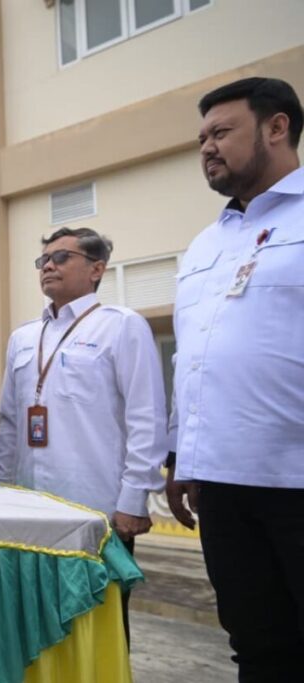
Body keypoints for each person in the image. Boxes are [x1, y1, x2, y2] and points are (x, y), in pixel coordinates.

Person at [166, 77, 304, 680]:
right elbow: (191, 356)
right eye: (201, 138)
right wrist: (181, 456)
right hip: (221, 484)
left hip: (295, 478)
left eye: (221, 132)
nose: (207, 148)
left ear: (277, 126)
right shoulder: (204, 246)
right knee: (258, 648)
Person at [0, 226, 168, 643]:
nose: (48, 266)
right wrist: (0, 491)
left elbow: (146, 417)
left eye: (61, 257)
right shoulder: (23, 337)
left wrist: (133, 500)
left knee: (99, 626)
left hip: (96, 512)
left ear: (96, 269)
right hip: (29, 509)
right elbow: (9, 422)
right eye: (43, 260)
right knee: (34, 623)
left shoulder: (121, 326)